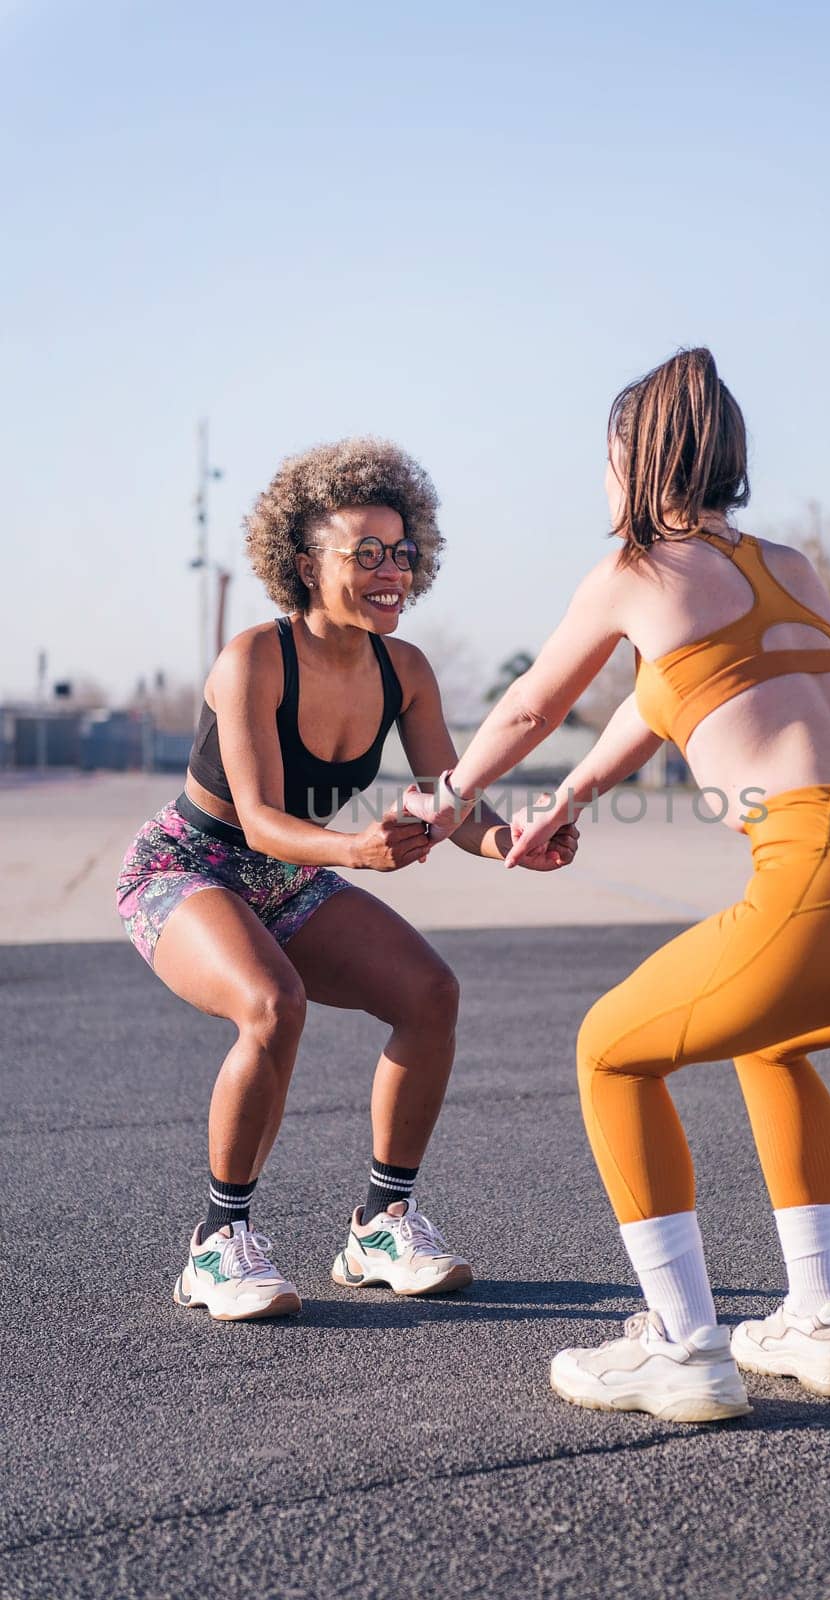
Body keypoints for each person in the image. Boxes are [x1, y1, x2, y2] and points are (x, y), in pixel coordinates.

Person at [403, 349, 830, 1422]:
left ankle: (681, 1346)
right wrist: (578, 793)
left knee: (608, 1052)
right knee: (769, 1040)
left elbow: (529, 708)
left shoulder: (631, 570)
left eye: (604, 459)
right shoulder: (789, 565)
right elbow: (686, 683)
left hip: (827, 872)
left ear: (631, 461)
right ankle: (821, 1323)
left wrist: (443, 792)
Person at [115, 437, 578, 1322]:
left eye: (401, 552)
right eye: (363, 553)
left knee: (429, 992)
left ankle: (380, 1224)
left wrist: (516, 839)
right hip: (186, 867)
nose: (390, 569)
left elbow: (453, 803)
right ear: (302, 564)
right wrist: (357, 849)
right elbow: (255, 822)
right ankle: (216, 1246)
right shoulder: (253, 658)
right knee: (270, 1003)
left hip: (289, 878)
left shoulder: (403, 671)